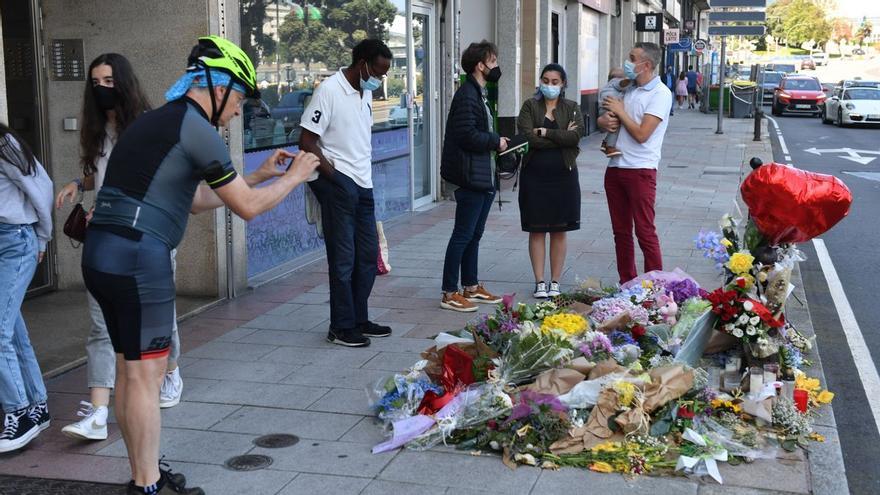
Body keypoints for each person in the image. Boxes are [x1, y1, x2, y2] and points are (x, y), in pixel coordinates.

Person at [82, 36, 319, 494]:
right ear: (218, 86)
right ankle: (147, 486)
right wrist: (294, 177)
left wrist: (259, 173)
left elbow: (191, 199)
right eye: (240, 99)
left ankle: (141, 476)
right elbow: (247, 208)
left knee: (129, 372)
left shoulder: (154, 123)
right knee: (146, 378)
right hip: (139, 257)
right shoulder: (197, 128)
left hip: (102, 253)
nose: (237, 112)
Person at [54, 54, 184, 444]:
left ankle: (172, 370)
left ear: (124, 83)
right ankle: (97, 411)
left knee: (160, 320)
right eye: (95, 82)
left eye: (109, 81)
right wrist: (80, 183)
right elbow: (100, 172)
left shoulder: (148, 127)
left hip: (149, 237)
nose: (101, 88)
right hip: (106, 239)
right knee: (100, 324)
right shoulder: (97, 131)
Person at [299, 39, 394, 347]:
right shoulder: (329, 91)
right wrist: (336, 177)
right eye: (378, 72)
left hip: (363, 185)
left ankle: (359, 318)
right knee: (343, 258)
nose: (379, 80)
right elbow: (306, 141)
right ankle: (340, 327)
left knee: (367, 256)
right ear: (363, 63)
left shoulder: (364, 91)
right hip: (340, 184)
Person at [439, 40, 507, 312]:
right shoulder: (467, 94)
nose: (496, 66)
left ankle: (471, 285)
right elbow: (466, 135)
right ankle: (449, 292)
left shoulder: (478, 92)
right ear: (480, 65)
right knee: (463, 234)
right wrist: (495, 140)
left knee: (474, 233)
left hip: (481, 173)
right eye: (493, 61)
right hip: (469, 176)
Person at [598, 42, 672, 284]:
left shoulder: (660, 93)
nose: (627, 63)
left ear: (646, 65)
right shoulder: (628, 88)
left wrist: (620, 112)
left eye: (632, 58)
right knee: (621, 233)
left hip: (641, 171)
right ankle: (627, 282)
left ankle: (655, 285)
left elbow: (642, 134)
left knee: (644, 232)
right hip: (615, 167)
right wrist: (604, 122)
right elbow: (609, 117)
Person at [0, 124, 53, 453]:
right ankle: (36, 404)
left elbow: (41, 187)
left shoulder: (5, 144)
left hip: (15, 242)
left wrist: (42, 236)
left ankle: (18, 413)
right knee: (12, 330)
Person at [516, 63, 585, 298]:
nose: (549, 85)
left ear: (563, 83)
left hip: (563, 176)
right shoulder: (529, 106)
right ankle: (539, 282)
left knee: (559, 229)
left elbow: (576, 137)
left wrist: (545, 132)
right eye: (545, 80)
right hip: (534, 176)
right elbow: (527, 138)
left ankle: (555, 281)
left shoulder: (572, 107)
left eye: (555, 82)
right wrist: (560, 137)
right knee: (536, 229)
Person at [598, 68, 631, 157]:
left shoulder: (607, 86)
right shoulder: (615, 82)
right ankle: (609, 146)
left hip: (604, 109)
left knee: (614, 127)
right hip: (610, 108)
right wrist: (631, 80)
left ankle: (606, 143)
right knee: (616, 125)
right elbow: (622, 83)